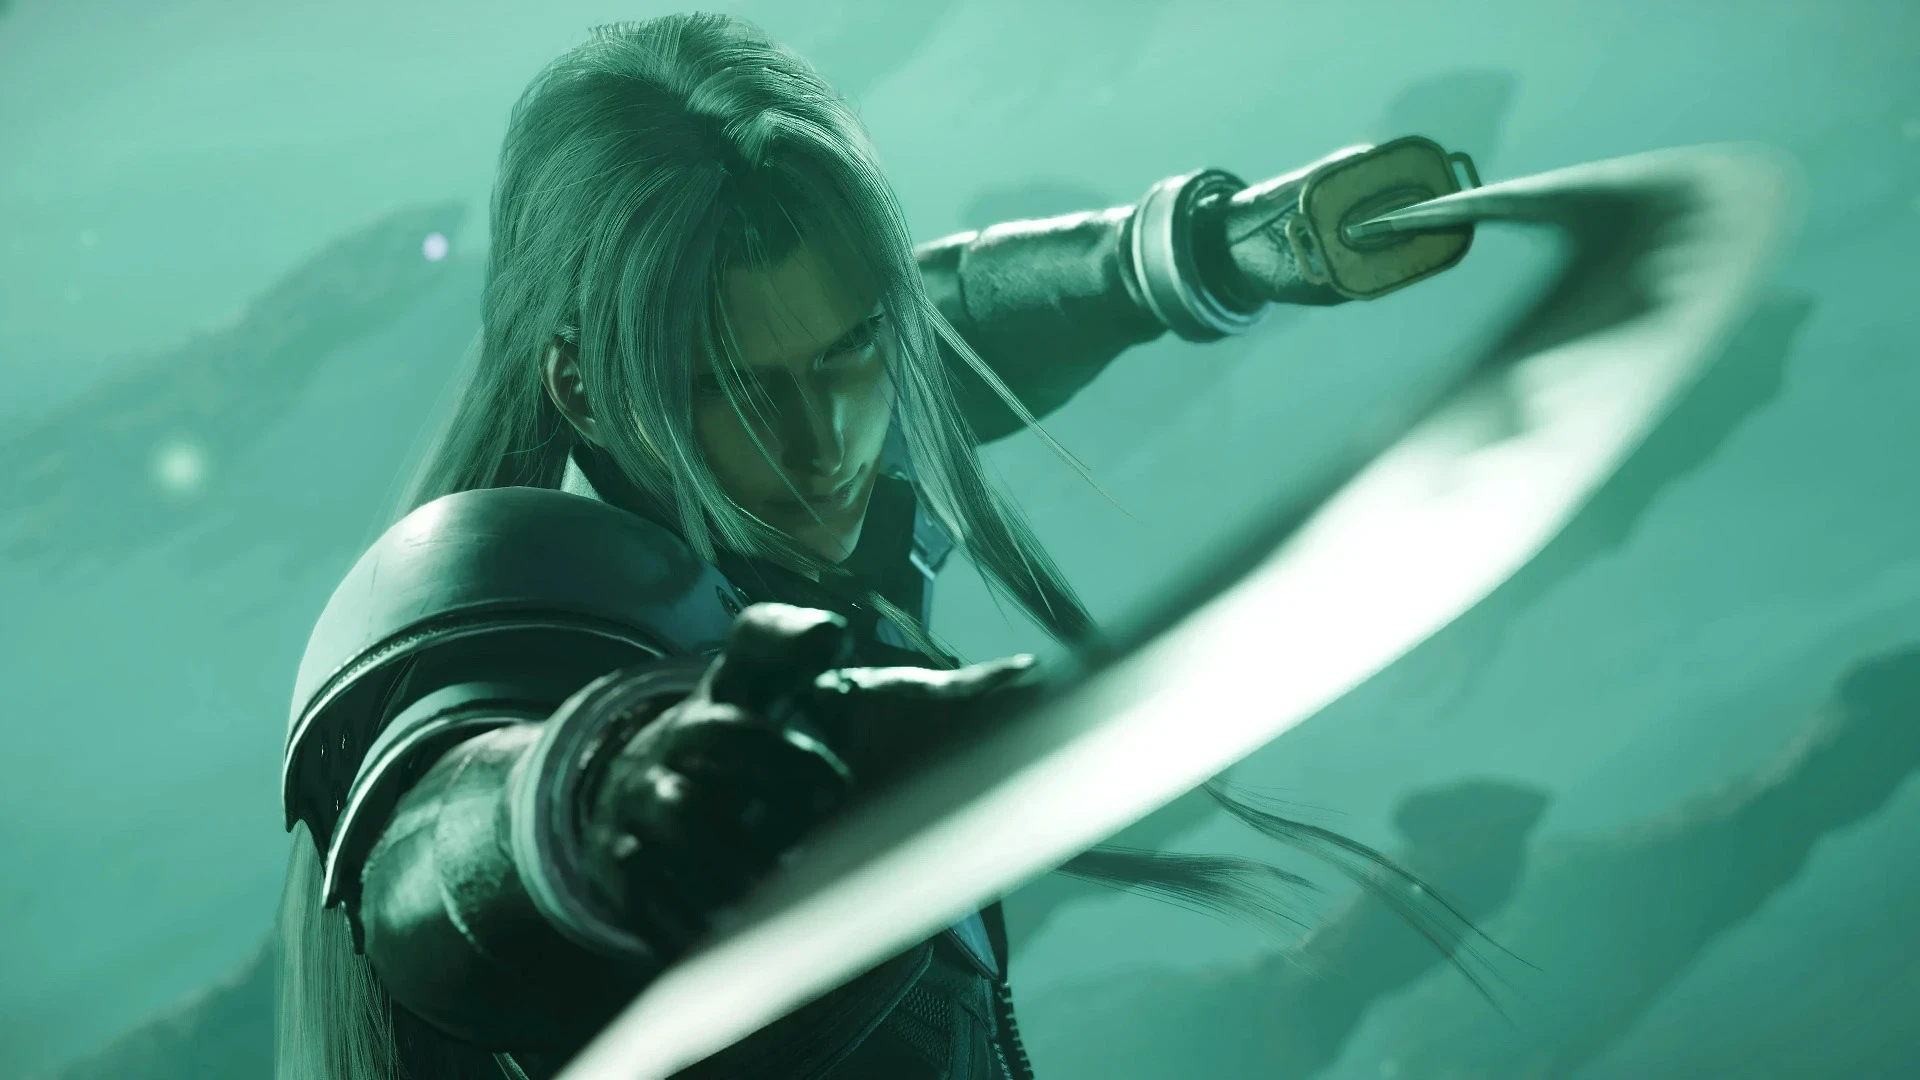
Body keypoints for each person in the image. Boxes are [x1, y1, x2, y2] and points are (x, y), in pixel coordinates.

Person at [275, 14, 1465, 1080]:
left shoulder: (807, 431)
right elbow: (435, 866)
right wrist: (606, 805)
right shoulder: (487, 594)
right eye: (736, 386)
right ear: (582, 385)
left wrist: (1195, 256)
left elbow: (938, 330)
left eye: (849, 349)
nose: (826, 444)